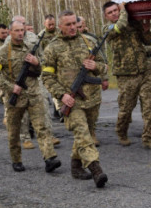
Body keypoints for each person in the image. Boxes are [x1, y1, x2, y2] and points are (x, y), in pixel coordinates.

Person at [42, 10, 109, 187]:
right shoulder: (52, 48)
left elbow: (105, 67)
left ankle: (76, 166)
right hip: (70, 100)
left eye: (74, 23)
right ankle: (96, 169)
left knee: (84, 133)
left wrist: (96, 66)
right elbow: (47, 77)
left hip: (92, 98)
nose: (73, 27)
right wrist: (61, 95)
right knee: (83, 134)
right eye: (68, 24)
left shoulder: (89, 41)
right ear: (60, 26)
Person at [0, 20, 61, 173]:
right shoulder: (2, 52)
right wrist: (10, 87)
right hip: (15, 98)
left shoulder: (31, 49)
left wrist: (37, 62)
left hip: (34, 94)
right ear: (10, 32)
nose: (20, 33)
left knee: (42, 127)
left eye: (22, 30)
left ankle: (49, 158)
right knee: (14, 131)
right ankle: (16, 160)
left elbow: (46, 67)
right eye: (17, 30)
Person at [103, 2, 151, 149]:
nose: (114, 13)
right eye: (110, 12)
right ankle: (121, 131)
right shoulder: (108, 29)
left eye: (116, 10)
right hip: (126, 75)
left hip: (144, 70)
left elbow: (147, 41)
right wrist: (123, 10)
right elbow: (119, 26)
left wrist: (146, 30)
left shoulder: (133, 24)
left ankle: (148, 138)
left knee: (149, 105)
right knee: (126, 108)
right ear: (106, 16)